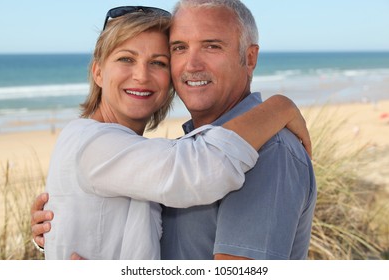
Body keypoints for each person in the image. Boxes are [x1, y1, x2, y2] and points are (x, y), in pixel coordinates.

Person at [33, 5, 311, 260]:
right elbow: (199, 170)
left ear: (249, 58)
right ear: (98, 72)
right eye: (179, 48)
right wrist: (278, 107)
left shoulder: (267, 149)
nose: (191, 64)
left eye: (157, 62)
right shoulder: (97, 143)